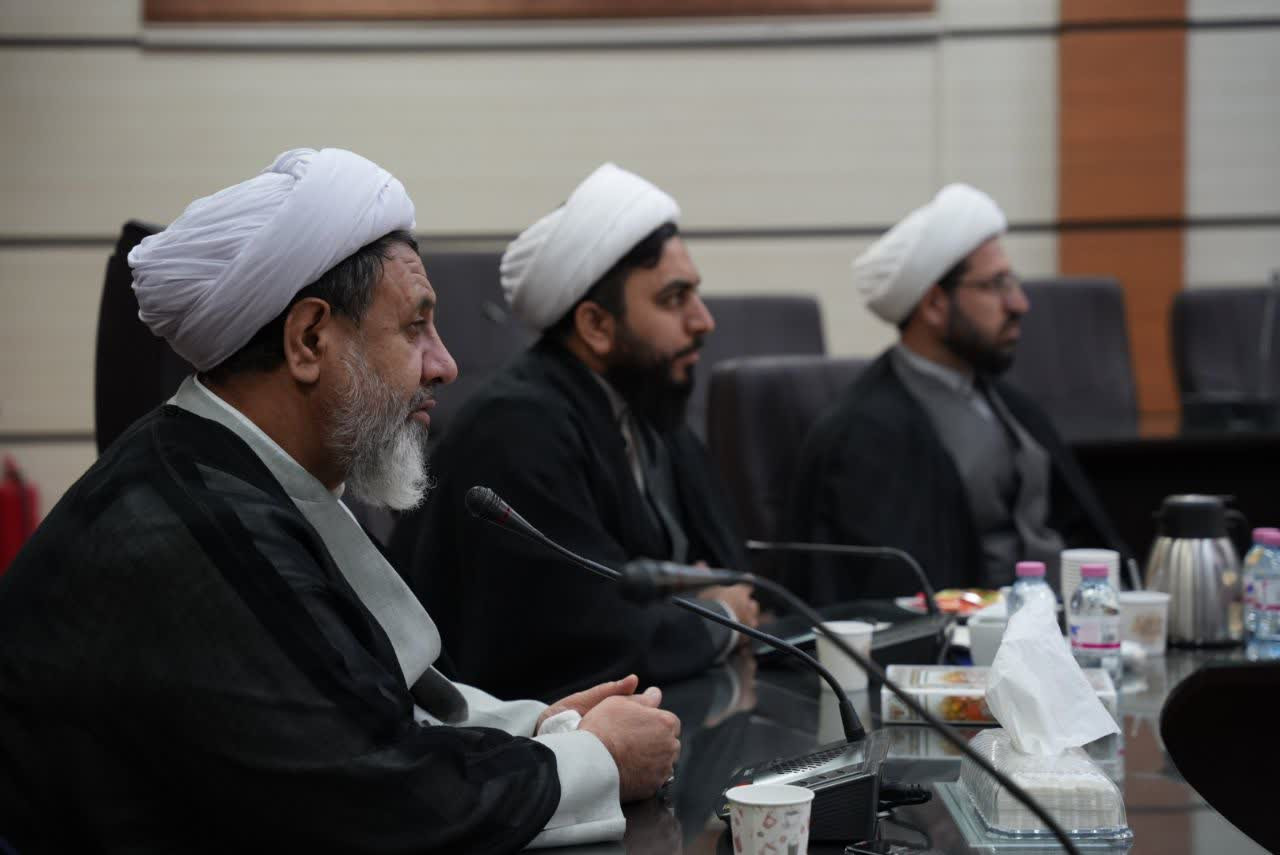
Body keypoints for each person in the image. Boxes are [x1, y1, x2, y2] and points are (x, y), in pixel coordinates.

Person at [0, 149, 680, 853]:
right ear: (309, 340)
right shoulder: (189, 527)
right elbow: (374, 799)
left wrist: (541, 728)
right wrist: (598, 758)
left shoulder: (229, 469)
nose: (445, 364)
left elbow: (367, 708)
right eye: (415, 327)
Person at [399, 163, 760, 702]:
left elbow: (733, 573)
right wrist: (718, 615)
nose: (703, 320)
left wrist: (708, 601)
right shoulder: (517, 429)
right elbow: (586, 636)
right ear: (596, 326)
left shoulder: (646, 406)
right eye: (673, 299)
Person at [786, 183, 1124, 604]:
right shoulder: (865, 435)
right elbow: (896, 596)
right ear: (934, 304)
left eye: (1012, 282)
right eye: (996, 285)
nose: (1019, 303)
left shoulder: (1012, 406)